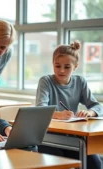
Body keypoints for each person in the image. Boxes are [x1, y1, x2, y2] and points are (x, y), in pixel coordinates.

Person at [35, 41, 103, 169]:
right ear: (52, 64)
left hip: (73, 138)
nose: (61, 70)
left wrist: (90, 112)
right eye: (57, 66)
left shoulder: (80, 81)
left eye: (67, 67)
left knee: (96, 164)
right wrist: (58, 115)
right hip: (49, 138)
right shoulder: (46, 81)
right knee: (59, 164)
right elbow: (40, 110)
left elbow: (98, 106)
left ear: (75, 67)